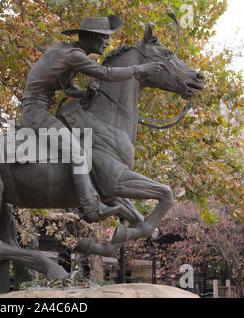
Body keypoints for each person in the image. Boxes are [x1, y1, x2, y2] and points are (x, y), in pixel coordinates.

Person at [20, 15, 165, 223]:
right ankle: (90, 206)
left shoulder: (65, 51)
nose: (108, 42)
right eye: (104, 37)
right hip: (35, 113)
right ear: (90, 37)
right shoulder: (73, 55)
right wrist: (139, 69)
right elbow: (104, 73)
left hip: (37, 109)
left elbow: (67, 87)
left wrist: (84, 94)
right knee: (77, 152)